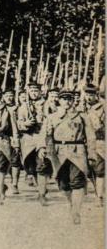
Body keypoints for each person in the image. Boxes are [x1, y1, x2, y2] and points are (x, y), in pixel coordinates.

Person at [39, 90, 96, 224]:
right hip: (59, 153)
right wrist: (42, 147)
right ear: (59, 100)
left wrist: (92, 154)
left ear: (73, 101)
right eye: (64, 99)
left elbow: (91, 136)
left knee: (77, 181)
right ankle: (72, 203)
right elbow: (44, 134)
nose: (67, 102)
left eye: (69, 99)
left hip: (78, 151)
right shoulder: (52, 117)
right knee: (63, 183)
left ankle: (76, 211)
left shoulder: (82, 116)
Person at [84, 84, 105, 202]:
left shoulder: (102, 107)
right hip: (84, 143)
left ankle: (99, 196)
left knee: (99, 169)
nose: (88, 97)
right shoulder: (81, 107)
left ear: (95, 95)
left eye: (91, 95)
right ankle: (98, 190)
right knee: (88, 170)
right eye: (87, 94)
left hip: (98, 142)